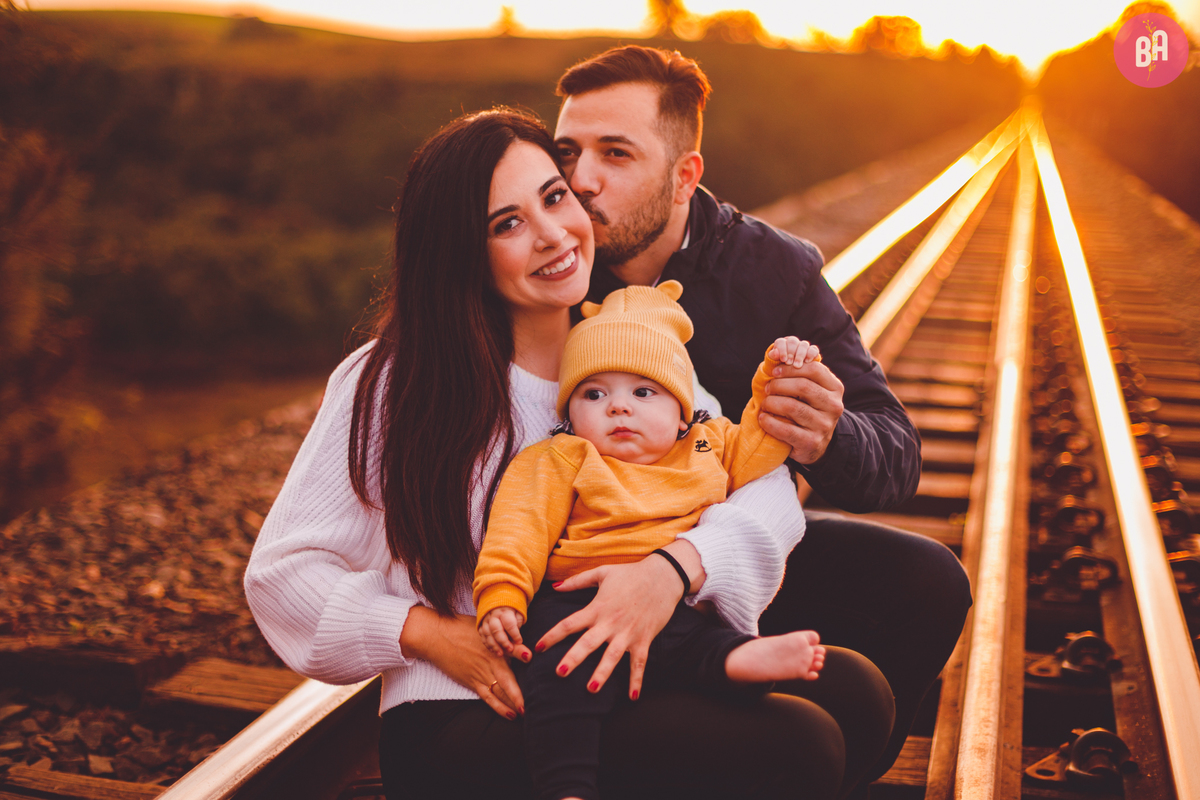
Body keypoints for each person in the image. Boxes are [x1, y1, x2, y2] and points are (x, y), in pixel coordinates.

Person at [245, 108, 894, 800]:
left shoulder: (623, 346)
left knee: (857, 693)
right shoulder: (399, 379)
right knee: (799, 743)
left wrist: (673, 570)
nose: (552, 234)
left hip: (629, 661)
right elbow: (282, 574)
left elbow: (756, 483)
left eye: (554, 197)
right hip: (473, 709)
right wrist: (428, 634)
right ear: (461, 252)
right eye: (507, 224)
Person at [547, 45, 973, 784]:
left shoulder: (772, 269)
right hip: (581, 559)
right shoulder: (545, 264)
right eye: (568, 153)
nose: (581, 180)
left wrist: (830, 435)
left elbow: (895, 455)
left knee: (929, 581)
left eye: (615, 153)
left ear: (686, 176)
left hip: (732, 563)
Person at [475, 280, 825, 800]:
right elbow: (518, 528)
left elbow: (762, 444)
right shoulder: (561, 457)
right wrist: (502, 596)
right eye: (594, 394)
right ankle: (567, 788)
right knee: (559, 675)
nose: (618, 407)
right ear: (569, 413)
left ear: (682, 411)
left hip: (673, 601)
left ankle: (741, 659)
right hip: (578, 598)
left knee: (695, 641)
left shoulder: (708, 443)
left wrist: (776, 378)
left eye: (643, 392)